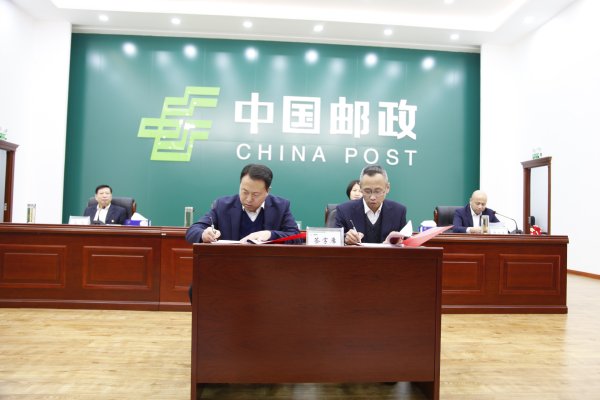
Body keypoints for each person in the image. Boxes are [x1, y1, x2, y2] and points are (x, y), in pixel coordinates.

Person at [185, 163, 301, 244]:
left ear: (267, 191)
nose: (249, 199)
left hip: (268, 267)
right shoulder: (222, 206)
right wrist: (204, 234)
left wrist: (270, 235)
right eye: (244, 192)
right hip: (229, 266)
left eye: (255, 194)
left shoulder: (280, 207)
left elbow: (297, 237)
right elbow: (193, 231)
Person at [335, 165, 407, 245]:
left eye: (377, 191)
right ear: (360, 187)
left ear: (387, 188)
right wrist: (345, 238)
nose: (372, 197)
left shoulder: (399, 211)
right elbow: (334, 239)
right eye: (367, 191)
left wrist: (398, 241)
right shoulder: (344, 210)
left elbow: (406, 241)